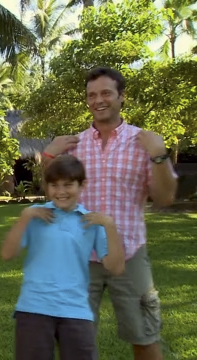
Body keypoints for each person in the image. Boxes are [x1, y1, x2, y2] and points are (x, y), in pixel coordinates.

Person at [42, 67, 178, 360]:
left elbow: (165, 198)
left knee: (145, 338)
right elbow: (54, 196)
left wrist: (158, 154)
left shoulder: (143, 142)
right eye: (92, 95)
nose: (98, 100)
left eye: (106, 93)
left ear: (121, 97)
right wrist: (48, 158)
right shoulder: (73, 146)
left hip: (129, 254)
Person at [1, 154, 125, 360]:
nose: (60, 192)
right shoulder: (35, 214)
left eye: (68, 185)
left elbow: (116, 267)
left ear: (81, 185)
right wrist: (24, 218)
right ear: (47, 187)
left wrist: (110, 226)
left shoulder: (91, 220)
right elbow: (7, 254)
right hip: (34, 308)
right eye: (54, 185)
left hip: (76, 310)